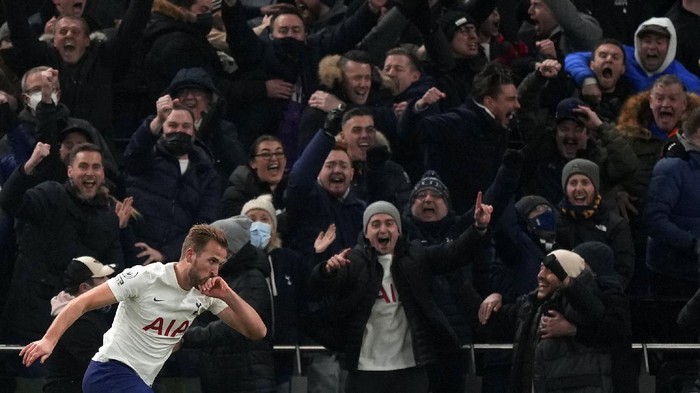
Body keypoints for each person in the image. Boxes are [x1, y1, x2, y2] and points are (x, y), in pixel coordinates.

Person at [19, 224, 267, 393]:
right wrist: (48, 341)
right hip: (108, 372)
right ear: (190, 255)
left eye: (220, 264)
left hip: (140, 381)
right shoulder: (146, 277)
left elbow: (257, 332)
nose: (216, 270)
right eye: (212, 261)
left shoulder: (207, 292)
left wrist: (229, 294)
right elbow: (81, 302)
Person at [302, 195, 492, 393]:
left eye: (389, 223)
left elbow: (454, 253)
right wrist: (327, 270)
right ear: (366, 233)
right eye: (375, 224)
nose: (383, 229)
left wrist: (478, 228)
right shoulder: (353, 261)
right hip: (365, 370)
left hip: (409, 369)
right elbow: (318, 290)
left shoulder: (416, 256)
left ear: (399, 231)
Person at [0, 142, 123, 347]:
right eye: (83, 166)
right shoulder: (50, 194)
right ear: (70, 171)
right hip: (30, 315)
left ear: (103, 172)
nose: (90, 173)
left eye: (96, 167)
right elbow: (9, 201)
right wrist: (29, 165)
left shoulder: (108, 218)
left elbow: (116, 265)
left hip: (78, 321)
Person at [474, 249, 613, 393]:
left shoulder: (583, 304)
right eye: (541, 269)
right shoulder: (529, 307)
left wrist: (568, 285)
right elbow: (487, 323)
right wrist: (492, 297)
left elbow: (593, 312)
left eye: (550, 270)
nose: (540, 275)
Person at [397, 63, 520, 214]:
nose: (517, 105)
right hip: (456, 218)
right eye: (511, 99)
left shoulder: (501, 125)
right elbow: (410, 132)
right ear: (490, 102)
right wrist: (418, 106)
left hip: (486, 215)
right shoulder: (459, 121)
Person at [123, 95, 221, 265]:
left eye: (186, 126)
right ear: (162, 128)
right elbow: (132, 154)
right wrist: (158, 119)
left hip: (177, 264)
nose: (179, 131)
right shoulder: (146, 159)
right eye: (172, 125)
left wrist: (166, 255)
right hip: (135, 254)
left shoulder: (206, 174)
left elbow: (204, 226)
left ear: (193, 131)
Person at [182, 216, 274, 393]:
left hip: (248, 377)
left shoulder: (251, 278)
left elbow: (238, 326)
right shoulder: (219, 278)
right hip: (222, 374)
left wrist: (188, 337)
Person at [564, 17, 700, 98]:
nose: (652, 47)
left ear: (670, 46)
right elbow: (573, 59)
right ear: (637, 42)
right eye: (647, 41)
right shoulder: (620, 55)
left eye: (659, 42)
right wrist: (587, 80)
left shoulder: (687, 81)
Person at [556, 158, 635, 289]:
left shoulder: (615, 224)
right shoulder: (555, 220)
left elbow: (623, 271)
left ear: (595, 187)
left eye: (585, 182)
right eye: (573, 183)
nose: (579, 189)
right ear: (565, 187)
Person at [44, 256, 115, 393]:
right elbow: (96, 365)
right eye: (102, 278)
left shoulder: (93, 313)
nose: (109, 282)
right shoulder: (77, 322)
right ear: (84, 287)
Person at [221, 135, 288, 218]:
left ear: (285, 160)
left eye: (279, 153)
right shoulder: (236, 193)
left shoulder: (294, 188)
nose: (274, 158)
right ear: (253, 163)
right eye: (266, 154)